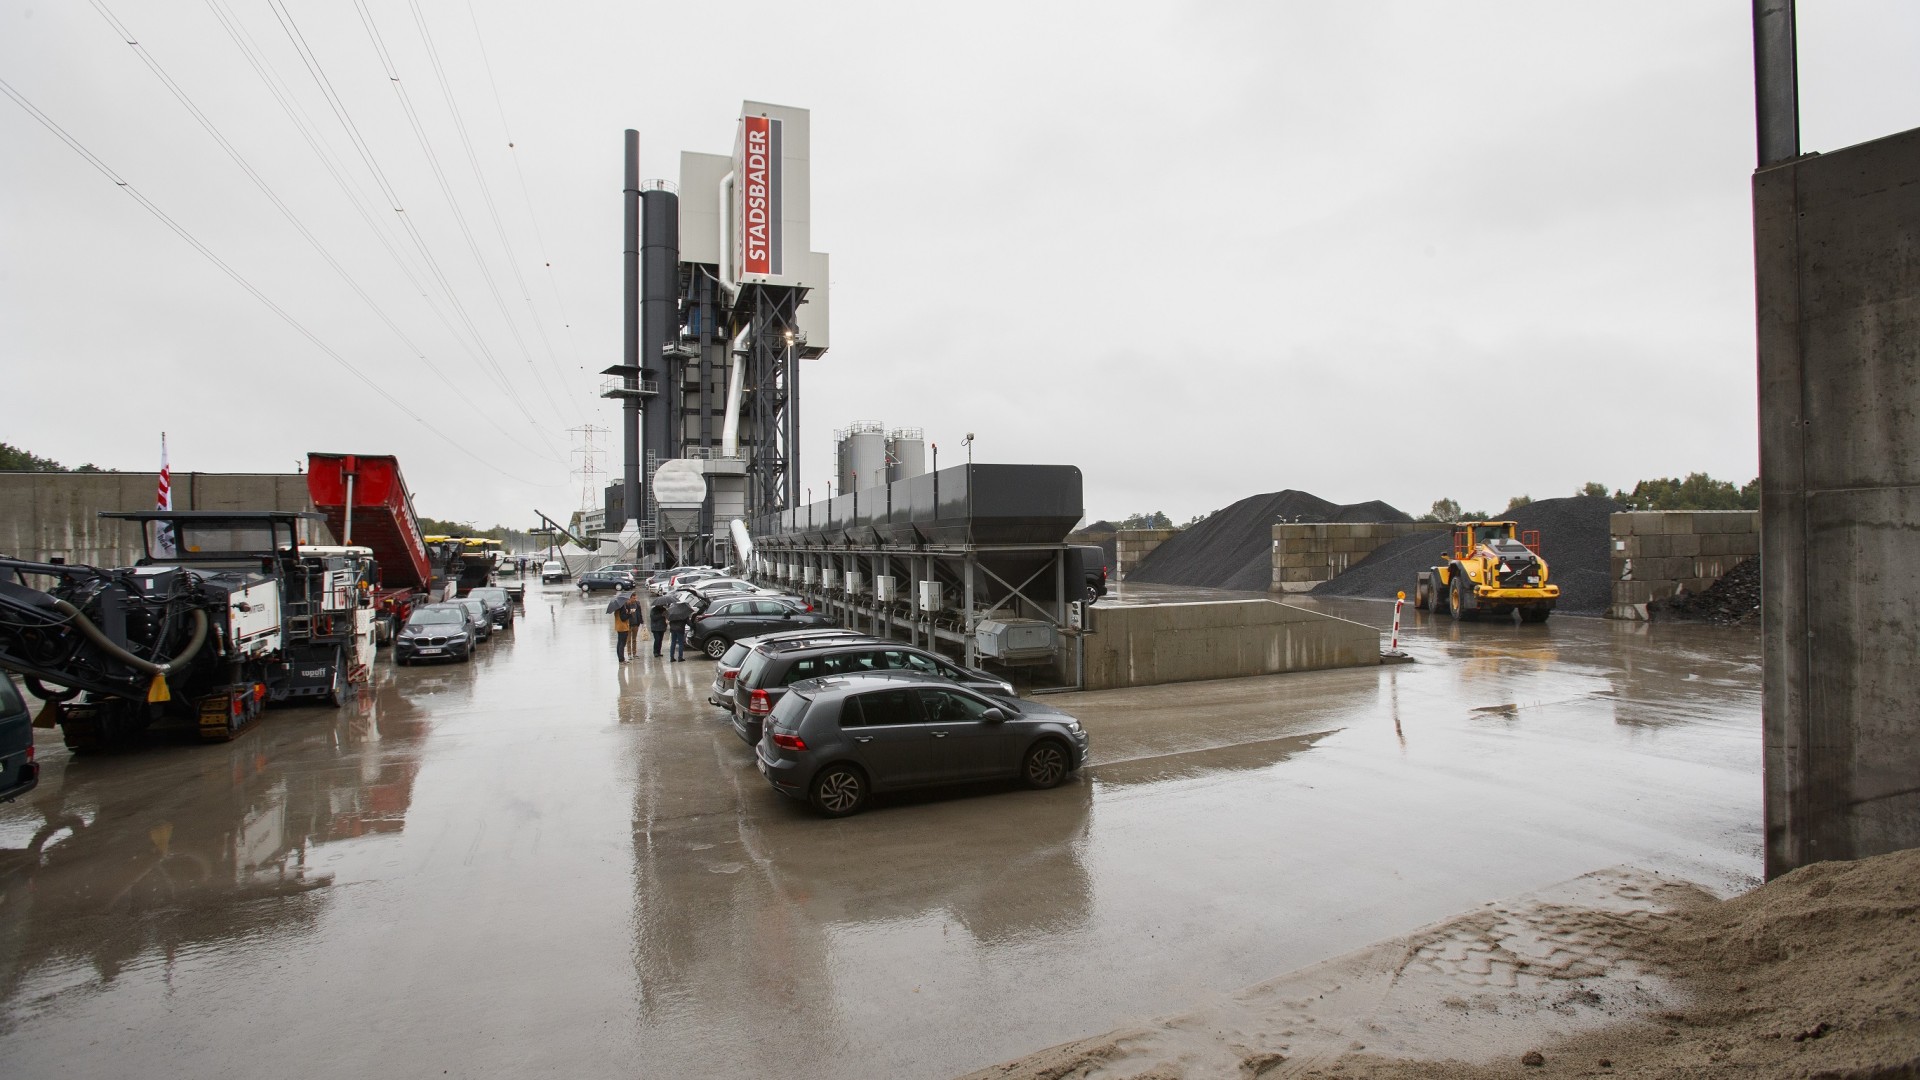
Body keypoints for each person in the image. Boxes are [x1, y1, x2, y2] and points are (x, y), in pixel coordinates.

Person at [667, 597, 692, 662]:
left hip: (673, 630)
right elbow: (689, 623)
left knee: (673, 643)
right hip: (680, 630)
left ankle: (671, 657)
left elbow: (670, 621)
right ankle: (680, 657)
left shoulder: (672, 612)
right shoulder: (683, 613)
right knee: (681, 643)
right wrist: (694, 626)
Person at [611, 592, 633, 663]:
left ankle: (620, 658)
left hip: (618, 627)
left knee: (619, 642)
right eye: (628, 600)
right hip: (623, 627)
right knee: (622, 644)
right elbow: (623, 618)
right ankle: (621, 659)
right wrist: (629, 614)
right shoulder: (622, 607)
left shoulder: (617, 608)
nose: (629, 601)